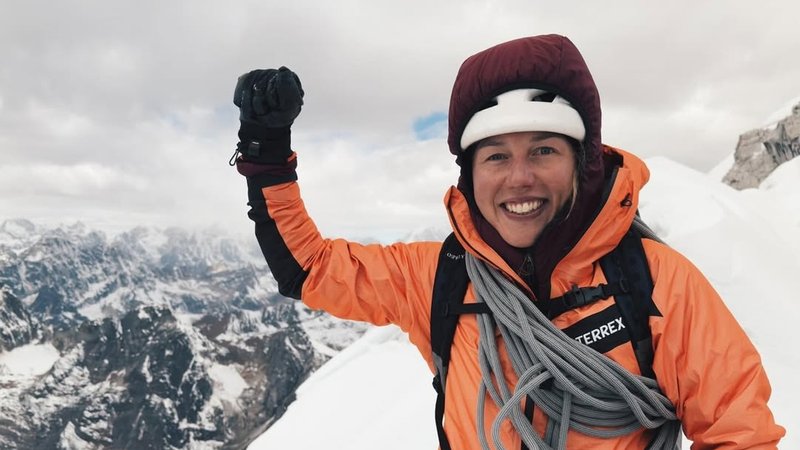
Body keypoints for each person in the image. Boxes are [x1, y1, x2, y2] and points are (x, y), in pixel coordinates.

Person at [231, 35, 784, 449]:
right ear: (471, 176)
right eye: (496, 156)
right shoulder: (440, 277)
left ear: (582, 163)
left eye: (544, 150)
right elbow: (312, 268)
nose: (520, 178)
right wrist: (265, 155)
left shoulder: (654, 279)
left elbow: (740, 429)